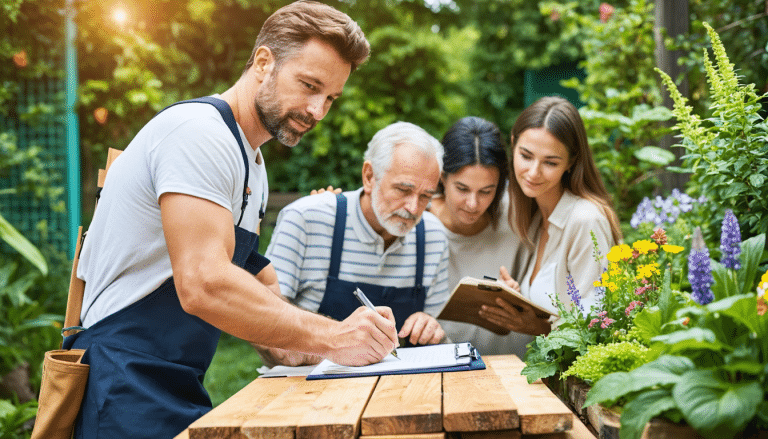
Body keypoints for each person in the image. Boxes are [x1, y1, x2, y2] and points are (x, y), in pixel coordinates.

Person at [64, 2, 400, 438]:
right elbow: (205, 283)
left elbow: (259, 295)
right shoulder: (199, 133)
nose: (318, 110)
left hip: (175, 382)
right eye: (309, 86)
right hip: (121, 379)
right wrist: (334, 336)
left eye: (331, 98)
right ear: (264, 61)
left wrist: (324, 348)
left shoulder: (252, 165)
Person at [262, 121, 450, 366]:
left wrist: (433, 328)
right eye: (403, 190)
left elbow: (442, 337)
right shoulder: (307, 219)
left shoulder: (433, 236)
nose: (414, 208)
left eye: (426, 196)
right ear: (369, 176)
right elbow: (262, 320)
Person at [480, 96, 622, 334]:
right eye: (526, 156)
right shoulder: (536, 216)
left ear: (571, 161)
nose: (533, 173)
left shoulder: (585, 220)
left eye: (550, 162)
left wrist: (535, 326)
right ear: (513, 144)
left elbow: (596, 324)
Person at [428, 116, 538, 358]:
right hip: (441, 369)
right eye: (462, 188)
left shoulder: (517, 215)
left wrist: (517, 296)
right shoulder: (417, 222)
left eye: (486, 191)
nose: (473, 204)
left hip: (512, 368)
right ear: (442, 177)